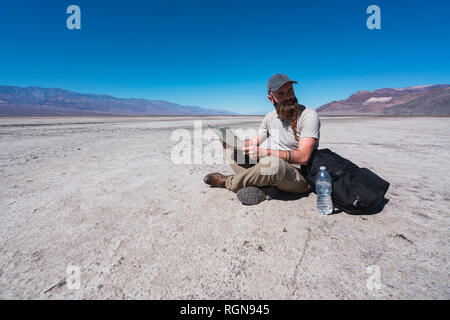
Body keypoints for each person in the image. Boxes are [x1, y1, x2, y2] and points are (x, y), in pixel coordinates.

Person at [203, 73, 321, 205]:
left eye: (290, 91)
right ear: (271, 99)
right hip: (270, 168)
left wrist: (267, 153)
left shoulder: (308, 115)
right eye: (281, 93)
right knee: (235, 152)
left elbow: (304, 157)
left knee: (273, 164)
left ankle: (228, 181)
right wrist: (231, 142)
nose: (288, 96)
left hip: (299, 177)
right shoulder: (270, 118)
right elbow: (253, 143)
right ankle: (267, 190)